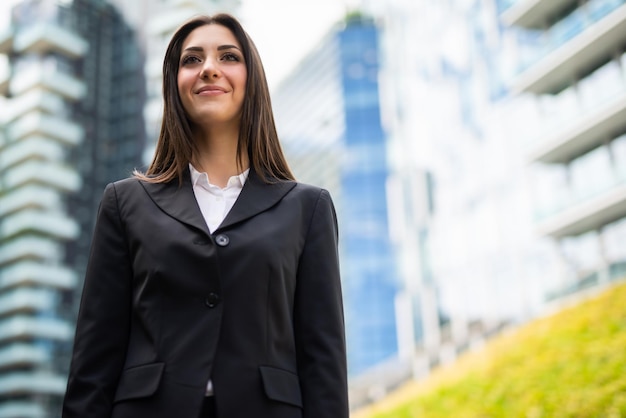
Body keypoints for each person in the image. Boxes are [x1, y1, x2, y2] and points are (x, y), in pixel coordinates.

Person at [62, 13, 348, 418]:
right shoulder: (124, 203)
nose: (209, 68)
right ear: (174, 85)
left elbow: (324, 365)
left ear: (253, 80)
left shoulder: (308, 208)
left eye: (228, 56)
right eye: (191, 60)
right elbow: (93, 362)